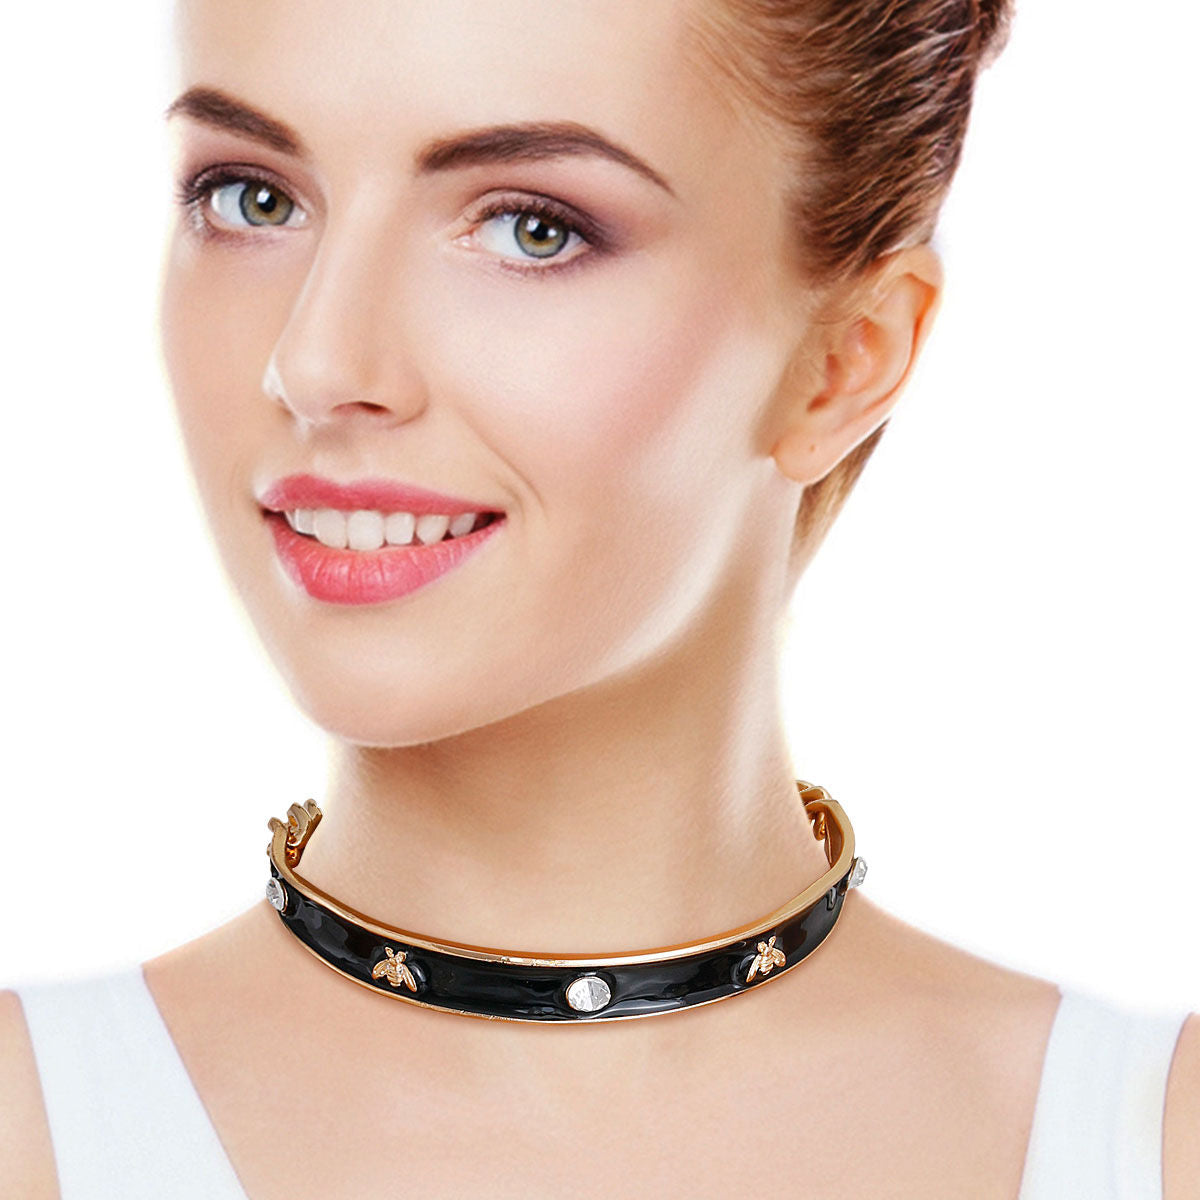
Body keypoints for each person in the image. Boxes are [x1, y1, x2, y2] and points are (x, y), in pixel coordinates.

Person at [3, 0, 1197, 1196]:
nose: (315, 364)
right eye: (253, 198)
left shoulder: (1154, 1140)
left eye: (532, 229)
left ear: (849, 359)